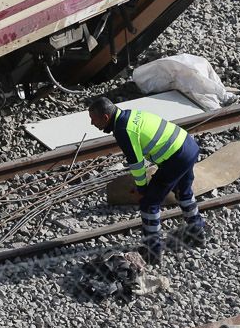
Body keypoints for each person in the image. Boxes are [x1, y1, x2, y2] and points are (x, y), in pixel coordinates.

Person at [87, 96, 207, 263]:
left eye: (94, 120)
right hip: (188, 145)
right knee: (183, 191)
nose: (93, 124)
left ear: (106, 118)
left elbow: (136, 163)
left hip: (176, 157)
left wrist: (142, 190)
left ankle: (152, 251)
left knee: (149, 203)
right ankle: (197, 233)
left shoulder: (123, 130)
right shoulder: (129, 115)